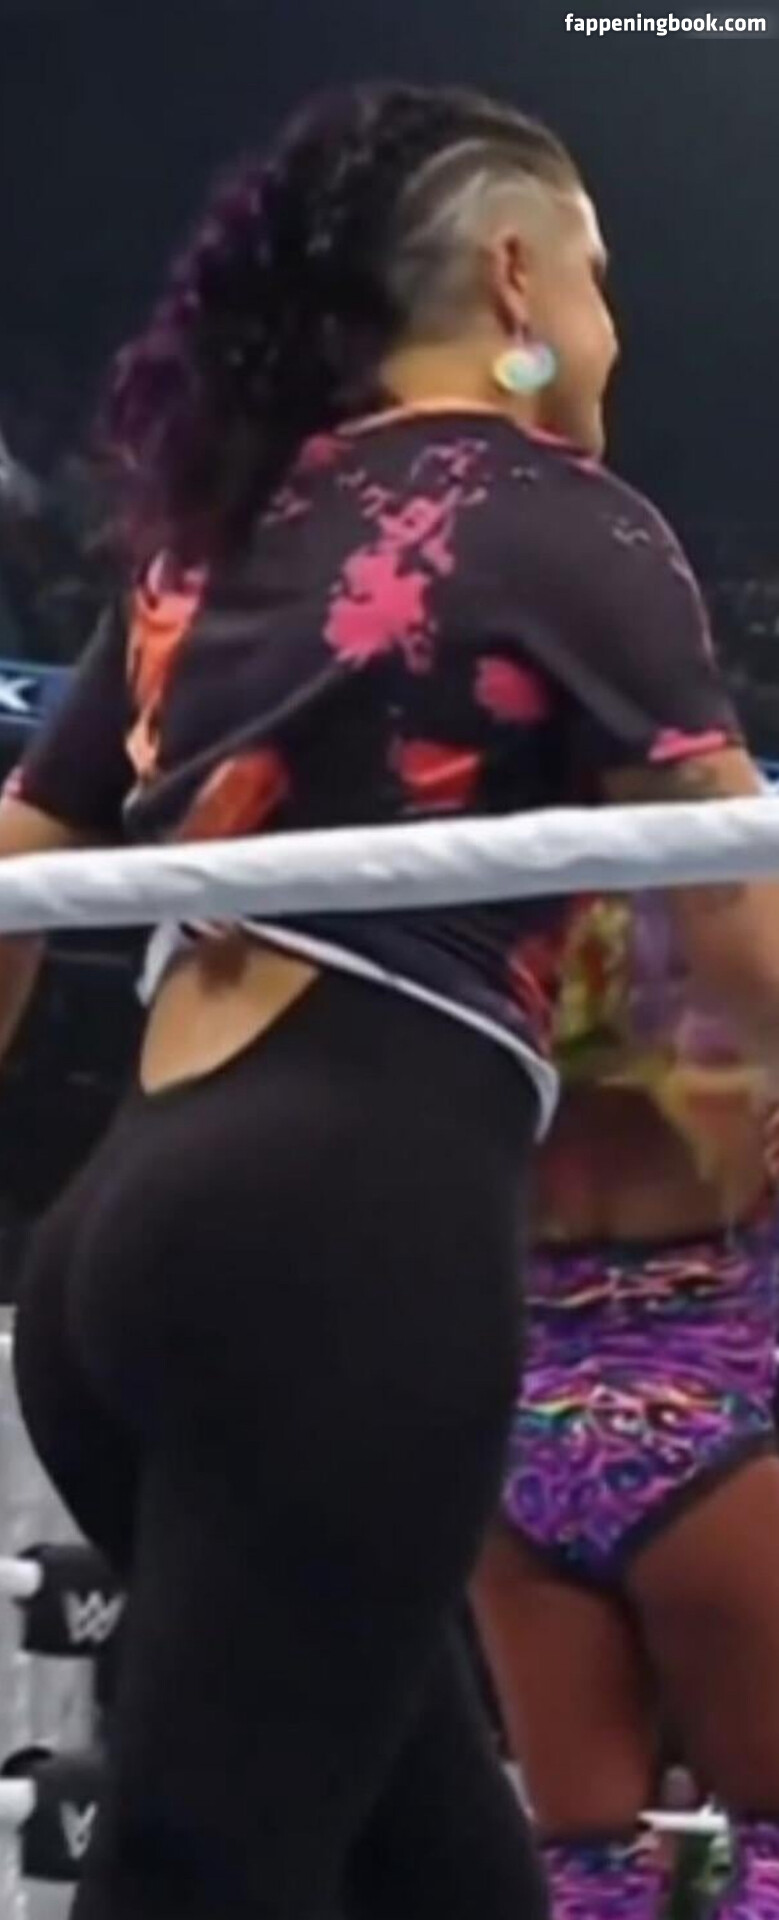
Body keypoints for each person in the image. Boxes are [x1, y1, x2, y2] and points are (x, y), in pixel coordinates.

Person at [1, 80, 779, 1920]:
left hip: (113, 1254)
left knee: (438, 1865)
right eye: (595, 277)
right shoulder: (567, 519)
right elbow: (745, 952)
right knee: (210, 1869)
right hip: (341, 1251)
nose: (612, 328)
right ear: (513, 280)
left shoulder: (206, 542)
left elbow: (20, 868)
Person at [472, 883, 779, 1918]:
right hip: (694, 1421)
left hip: (519, 1440)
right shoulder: (737, 958)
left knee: (581, 1859)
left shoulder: (483, 946)